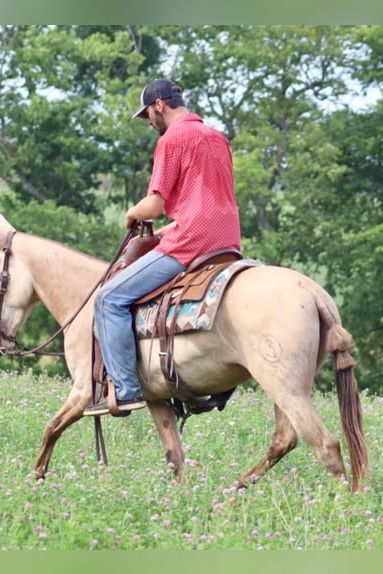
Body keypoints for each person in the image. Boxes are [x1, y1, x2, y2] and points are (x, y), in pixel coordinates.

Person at [83, 78, 241, 417]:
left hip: (191, 245)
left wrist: (131, 212)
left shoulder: (173, 138)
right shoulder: (217, 137)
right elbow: (205, 202)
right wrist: (172, 225)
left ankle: (125, 390)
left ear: (159, 106)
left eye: (148, 116)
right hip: (226, 241)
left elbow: (153, 206)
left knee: (108, 299)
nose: (149, 123)